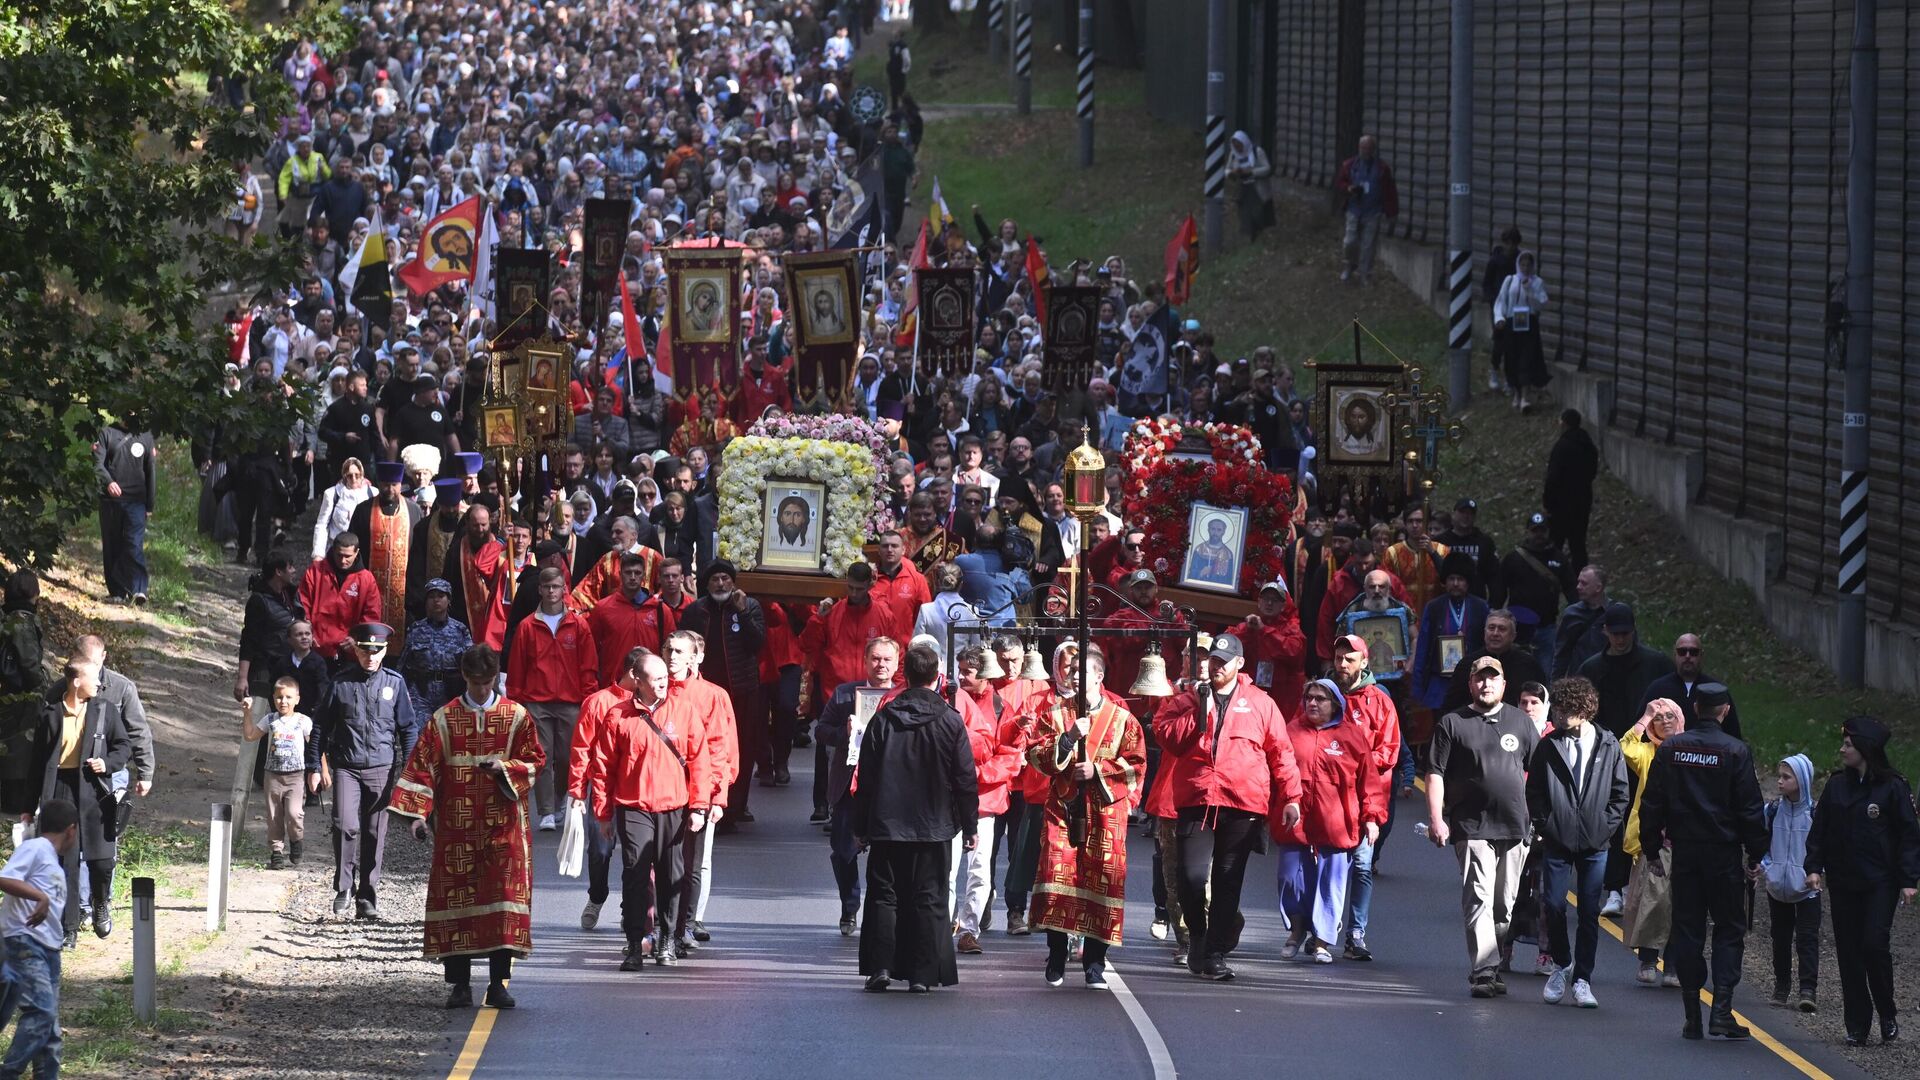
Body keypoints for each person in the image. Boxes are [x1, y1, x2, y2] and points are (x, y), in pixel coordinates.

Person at [390, 645, 543, 1008]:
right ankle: (459, 984)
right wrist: (418, 815)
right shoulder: (443, 719)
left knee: (503, 899)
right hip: (456, 827)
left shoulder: (516, 716)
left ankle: (498, 984)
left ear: (495, 678)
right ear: (464, 677)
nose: (480, 689)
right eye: (474, 682)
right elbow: (423, 767)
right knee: (456, 898)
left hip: (503, 826)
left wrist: (504, 769)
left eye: (486, 682)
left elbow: (536, 760)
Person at [1154, 633, 1302, 982]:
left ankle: (1215, 951)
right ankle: (1199, 937)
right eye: (1211, 661)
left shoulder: (1261, 703)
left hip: (1243, 802)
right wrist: (1199, 713)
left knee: (1227, 880)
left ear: (1239, 664)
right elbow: (1166, 737)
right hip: (1197, 800)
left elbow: (1281, 752)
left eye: (1222, 661)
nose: (1214, 666)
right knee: (1190, 877)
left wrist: (1291, 797)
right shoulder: (1187, 698)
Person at [1638, 682, 1767, 1040]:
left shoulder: (1673, 749)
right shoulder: (1736, 751)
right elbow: (1750, 808)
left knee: (1688, 930)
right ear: (1724, 711)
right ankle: (1721, 1011)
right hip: (1723, 854)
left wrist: (1651, 849)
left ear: (1695, 708)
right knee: (1728, 930)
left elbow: (1653, 801)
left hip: (1686, 854)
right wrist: (1756, 854)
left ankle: (1692, 1013)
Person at [852, 643, 977, 993]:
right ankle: (923, 973)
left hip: (888, 824)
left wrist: (859, 827)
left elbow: (867, 778)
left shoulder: (883, 719)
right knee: (929, 897)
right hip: (934, 825)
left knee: (884, 896)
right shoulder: (950, 721)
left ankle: (881, 966)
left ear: (903, 676)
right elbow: (965, 778)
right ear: (938, 677)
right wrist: (970, 825)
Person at [1024, 643, 1145, 989]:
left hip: (1105, 812)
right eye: (1072, 671)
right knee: (1057, 875)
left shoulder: (1122, 718)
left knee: (1102, 877)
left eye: (1083, 672)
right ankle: (1057, 954)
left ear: (1099, 676)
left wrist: (1099, 771)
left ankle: (1095, 961)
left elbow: (1136, 764)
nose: (1075, 677)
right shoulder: (1056, 713)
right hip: (1063, 807)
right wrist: (1067, 740)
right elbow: (1035, 752)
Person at [589, 650, 712, 972]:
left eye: (664, 679)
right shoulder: (618, 716)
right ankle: (634, 943)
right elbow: (602, 767)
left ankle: (668, 939)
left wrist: (699, 806)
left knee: (673, 877)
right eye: (655, 679)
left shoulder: (684, 711)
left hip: (674, 805)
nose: (662, 684)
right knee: (635, 874)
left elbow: (700, 761)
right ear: (637, 681)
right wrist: (602, 813)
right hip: (634, 806)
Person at [1426, 655, 1540, 997]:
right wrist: (1436, 818)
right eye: (1480, 678)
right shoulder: (1452, 722)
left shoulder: (1521, 722)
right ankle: (1484, 971)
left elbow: (1541, 773)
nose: (1486, 684)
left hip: (1516, 826)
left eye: (1493, 678)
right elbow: (1435, 773)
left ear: (1504, 685)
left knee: (1504, 905)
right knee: (1478, 898)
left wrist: (1543, 819)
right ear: (1470, 683)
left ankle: (1491, 960)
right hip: (1471, 825)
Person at [1804, 716, 1920, 1046]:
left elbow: (1909, 835)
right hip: (1843, 883)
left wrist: (1908, 878)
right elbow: (1820, 830)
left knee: (1873, 945)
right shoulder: (1837, 785)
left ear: (1865, 750)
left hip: (1879, 882)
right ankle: (1857, 1024)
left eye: (1848, 745)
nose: (1842, 749)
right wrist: (1813, 867)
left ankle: (1886, 1010)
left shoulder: (1893, 787)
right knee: (1849, 954)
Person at [1525, 677, 1627, 1009]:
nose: (1555, 713)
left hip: (1595, 842)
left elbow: (1620, 793)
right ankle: (1561, 963)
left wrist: (1605, 826)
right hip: (1558, 839)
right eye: (1555, 706)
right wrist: (1547, 825)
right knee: (1553, 904)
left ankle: (1582, 978)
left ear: (1582, 711)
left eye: (1563, 708)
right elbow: (1535, 791)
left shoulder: (1608, 745)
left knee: (1588, 911)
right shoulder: (1549, 744)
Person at [310, 621, 420, 920]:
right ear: (355, 649)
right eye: (364, 650)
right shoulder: (340, 683)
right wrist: (314, 765)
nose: (370, 656)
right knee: (345, 825)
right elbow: (320, 724)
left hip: (382, 768)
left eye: (376, 650)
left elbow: (408, 728)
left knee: (374, 833)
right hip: (346, 767)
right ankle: (344, 885)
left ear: (385, 651)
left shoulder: (395, 684)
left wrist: (410, 770)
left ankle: (367, 896)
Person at [1276, 678, 1382, 964]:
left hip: (1338, 820)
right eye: (1309, 697)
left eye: (1320, 698)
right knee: (1290, 877)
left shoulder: (1352, 736)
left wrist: (1372, 817)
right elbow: (1276, 768)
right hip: (1295, 817)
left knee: (1330, 882)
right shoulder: (1292, 730)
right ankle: (1297, 931)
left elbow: (1369, 782)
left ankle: (1322, 940)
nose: (1312, 703)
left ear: (1335, 704)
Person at [30, 659, 132, 945]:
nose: (100, 683)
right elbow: (37, 763)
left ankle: (100, 902)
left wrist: (107, 763)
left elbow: (124, 746)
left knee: (101, 861)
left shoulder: (105, 711)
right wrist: (28, 806)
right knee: (67, 864)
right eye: (94, 678)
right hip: (61, 791)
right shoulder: (50, 715)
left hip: (95, 790)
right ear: (76, 681)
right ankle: (68, 929)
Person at [815, 637, 905, 936]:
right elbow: (821, 731)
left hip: (889, 789)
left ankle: (881, 913)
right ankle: (850, 905)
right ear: (866, 661)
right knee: (843, 852)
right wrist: (845, 732)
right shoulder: (844, 694)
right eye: (876, 659)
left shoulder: (904, 697)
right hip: (848, 786)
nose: (881, 665)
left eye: (887, 660)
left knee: (888, 856)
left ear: (897, 662)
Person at [506, 567, 598, 832]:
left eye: (556, 586)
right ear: (540, 590)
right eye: (547, 587)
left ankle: (559, 801)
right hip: (537, 702)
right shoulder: (527, 626)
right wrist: (516, 701)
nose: (551, 591)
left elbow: (588, 664)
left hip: (571, 701)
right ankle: (546, 811)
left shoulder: (578, 624)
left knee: (567, 756)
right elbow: (517, 667)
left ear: (563, 589)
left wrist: (588, 699)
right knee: (542, 757)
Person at [676, 560, 767, 818]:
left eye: (725, 579)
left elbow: (757, 644)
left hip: (742, 691)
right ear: (707, 584)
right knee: (705, 748)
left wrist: (743, 613)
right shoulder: (696, 611)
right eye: (715, 579)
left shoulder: (750, 607)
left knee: (742, 749)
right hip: (705, 695)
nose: (720, 584)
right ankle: (703, 799)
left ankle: (737, 804)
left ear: (733, 582)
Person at [0, 798, 78, 1080]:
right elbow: (5, 878)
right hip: (26, 944)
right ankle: (8, 1073)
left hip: (49, 950)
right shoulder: (35, 848)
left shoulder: (53, 863)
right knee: (42, 1012)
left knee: (51, 1032)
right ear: (71, 830)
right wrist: (39, 897)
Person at [1619, 697, 1685, 988]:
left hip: (1682, 840)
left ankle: (1672, 964)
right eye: (1660, 718)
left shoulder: (1690, 750)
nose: (1665, 721)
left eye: (1671, 716)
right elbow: (1625, 748)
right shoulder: (1647, 753)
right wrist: (1645, 716)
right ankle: (1648, 960)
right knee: (1651, 902)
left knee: (1678, 905)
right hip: (1652, 840)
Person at [1758, 752, 1820, 1013]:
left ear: (1803, 780)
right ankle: (1781, 986)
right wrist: (1766, 866)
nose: (1780, 782)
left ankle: (1808, 989)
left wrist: (1817, 871)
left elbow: (1825, 846)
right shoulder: (1772, 811)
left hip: (1807, 889)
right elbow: (1762, 842)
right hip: (1777, 887)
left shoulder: (1816, 814)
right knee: (1779, 938)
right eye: (1779, 776)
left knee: (1807, 939)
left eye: (1786, 777)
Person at [346, 460, 421, 649]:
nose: (389, 489)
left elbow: (419, 552)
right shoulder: (364, 510)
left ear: (400, 484)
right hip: (371, 588)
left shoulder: (413, 510)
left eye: (394, 485)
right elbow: (354, 550)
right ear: (378, 483)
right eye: (385, 484)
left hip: (404, 592)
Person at [243, 676, 313, 870]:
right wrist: (247, 713)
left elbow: (316, 747)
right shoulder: (270, 720)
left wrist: (320, 770)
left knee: (294, 813)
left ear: (297, 699)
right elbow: (250, 736)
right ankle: (276, 852)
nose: (284, 701)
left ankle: (296, 840)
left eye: (289, 697)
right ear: (274, 699)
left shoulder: (303, 721)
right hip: (272, 775)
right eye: (279, 697)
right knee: (274, 816)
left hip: (296, 776)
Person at [0, 571, 49, 815]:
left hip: (6, 694)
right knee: (19, 752)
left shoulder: (6, 617)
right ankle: (14, 805)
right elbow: (29, 663)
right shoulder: (23, 621)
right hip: (21, 699)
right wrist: (42, 685)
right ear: (33, 593)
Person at [93, 419, 156, 606]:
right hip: (110, 501)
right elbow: (98, 464)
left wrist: (149, 505)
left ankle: (138, 590)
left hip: (136, 501)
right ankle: (117, 591)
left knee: (134, 544)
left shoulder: (146, 436)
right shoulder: (107, 433)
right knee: (113, 545)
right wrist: (108, 482)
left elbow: (151, 471)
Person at [1641, 633, 1744, 738]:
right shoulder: (1657, 689)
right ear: (1675, 654)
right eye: (1682, 652)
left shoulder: (1716, 691)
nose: (1687, 656)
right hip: (1666, 752)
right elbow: (1642, 729)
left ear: (1701, 655)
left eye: (1693, 652)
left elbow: (1733, 734)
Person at [299, 531, 382, 659]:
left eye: (348, 556)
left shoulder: (366, 579)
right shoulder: (315, 572)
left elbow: (371, 614)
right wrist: (307, 633)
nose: (343, 561)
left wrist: (357, 639)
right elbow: (303, 605)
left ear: (356, 553)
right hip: (316, 647)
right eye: (339, 555)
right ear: (332, 551)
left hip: (350, 652)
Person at [398, 579, 472, 718]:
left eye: (440, 596)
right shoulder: (416, 629)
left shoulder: (460, 630)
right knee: (420, 736)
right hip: (420, 694)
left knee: (448, 736)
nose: (436, 600)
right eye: (431, 597)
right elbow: (403, 665)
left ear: (448, 600)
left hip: (451, 694)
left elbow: (470, 664)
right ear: (426, 601)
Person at [1334, 134, 1397, 285]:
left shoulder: (1382, 169)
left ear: (1373, 150)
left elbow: (1390, 191)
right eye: (1363, 148)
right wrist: (1349, 188)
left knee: (1368, 245)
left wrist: (1391, 212)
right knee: (1350, 241)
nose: (1365, 151)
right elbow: (1339, 182)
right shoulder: (1349, 165)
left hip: (1373, 211)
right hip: (1354, 208)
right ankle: (1349, 264)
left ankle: (1365, 273)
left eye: (1368, 148)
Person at [1492, 250, 1550, 410]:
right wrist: (1499, 319)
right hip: (1512, 323)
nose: (1525, 268)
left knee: (1527, 358)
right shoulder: (1510, 280)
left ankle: (1525, 396)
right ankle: (1516, 392)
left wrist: (1530, 289)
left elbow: (1541, 304)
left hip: (1529, 324)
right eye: (1522, 265)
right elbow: (1501, 301)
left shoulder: (1537, 282)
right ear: (1518, 265)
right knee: (1512, 358)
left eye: (1528, 265)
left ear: (1532, 266)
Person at [1543, 410, 1599, 571]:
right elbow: (1592, 472)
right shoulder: (1588, 446)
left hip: (1561, 503)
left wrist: (1548, 503)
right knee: (1578, 543)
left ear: (1564, 423)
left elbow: (1553, 478)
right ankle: (1580, 578)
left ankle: (1553, 575)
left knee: (1555, 543)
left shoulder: (1562, 447)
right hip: (1582, 501)